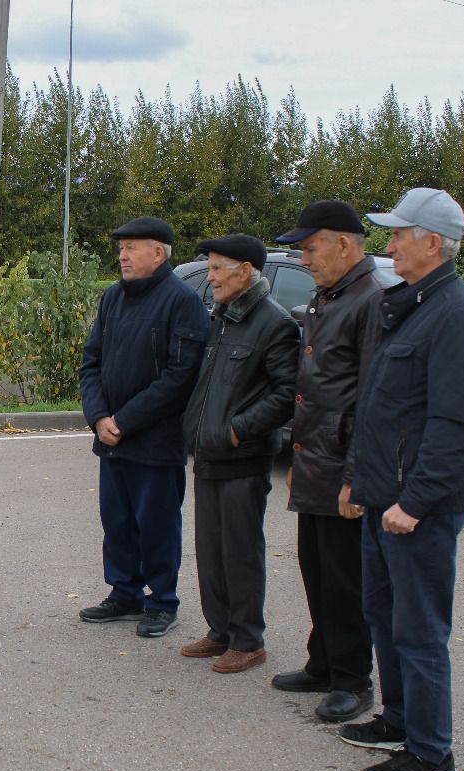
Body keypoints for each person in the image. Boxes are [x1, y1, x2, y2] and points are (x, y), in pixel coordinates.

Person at [342, 188, 464, 771]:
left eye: (399, 235)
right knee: (384, 615)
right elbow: (381, 408)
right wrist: (361, 479)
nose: (389, 244)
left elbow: (456, 427)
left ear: (433, 243)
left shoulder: (456, 313)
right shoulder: (408, 306)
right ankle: (400, 721)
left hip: (416, 508)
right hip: (386, 498)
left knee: (420, 629)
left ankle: (432, 756)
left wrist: (414, 502)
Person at [271, 201, 381, 721]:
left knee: (345, 579)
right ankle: (323, 663)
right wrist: (298, 453)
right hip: (317, 458)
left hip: (343, 466)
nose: (305, 259)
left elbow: (372, 399)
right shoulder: (330, 296)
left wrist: (355, 477)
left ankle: (353, 680)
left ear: (343, 244)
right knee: (316, 570)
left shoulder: (370, 299)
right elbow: (313, 389)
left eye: (311, 248)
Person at [78, 216, 208, 637]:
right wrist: (99, 417)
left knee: (156, 523)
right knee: (116, 520)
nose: (122, 255)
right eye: (121, 247)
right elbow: (91, 362)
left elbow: (179, 376)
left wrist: (125, 420)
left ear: (158, 252)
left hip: (155, 440)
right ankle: (125, 593)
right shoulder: (113, 298)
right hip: (111, 438)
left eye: (132, 247)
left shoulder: (181, 301)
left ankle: (162, 601)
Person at [179, 235, 299, 673]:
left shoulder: (275, 323)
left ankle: (248, 639)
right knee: (210, 548)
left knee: (240, 549)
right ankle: (221, 631)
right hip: (208, 452)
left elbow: (286, 394)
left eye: (216, 268)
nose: (209, 278)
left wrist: (235, 432)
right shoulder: (222, 317)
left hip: (241, 457)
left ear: (245, 270)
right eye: (208, 268)